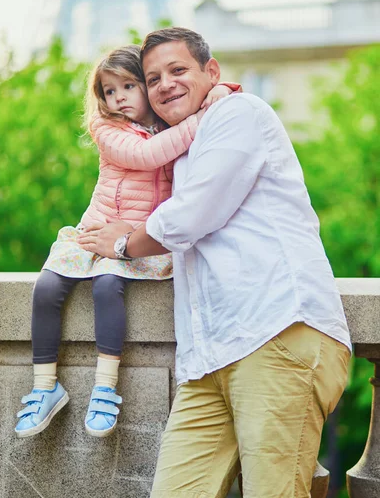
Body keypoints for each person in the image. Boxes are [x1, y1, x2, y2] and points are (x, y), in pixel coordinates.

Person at [78, 28, 352, 497]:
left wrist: (124, 242)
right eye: (153, 78)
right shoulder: (182, 146)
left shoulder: (238, 112)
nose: (165, 85)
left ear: (212, 72)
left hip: (276, 333)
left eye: (178, 70)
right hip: (208, 360)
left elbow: (190, 216)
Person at [14, 44, 238, 439]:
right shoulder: (108, 130)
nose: (118, 98)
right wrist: (206, 114)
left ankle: (105, 386)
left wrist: (218, 94)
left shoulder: (168, 125)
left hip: (137, 239)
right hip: (97, 229)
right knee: (47, 285)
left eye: (128, 86)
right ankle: (45, 385)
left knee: (107, 286)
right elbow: (148, 155)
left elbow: (201, 91)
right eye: (108, 91)